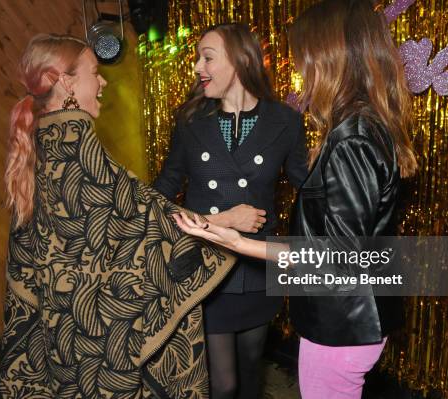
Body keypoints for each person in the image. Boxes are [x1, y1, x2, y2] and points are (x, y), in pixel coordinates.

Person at [173, 1, 418, 398]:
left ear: (330, 57)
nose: (301, 70)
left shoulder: (352, 137)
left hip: (341, 326)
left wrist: (240, 242)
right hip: (353, 321)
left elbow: (338, 254)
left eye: (304, 56)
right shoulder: (363, 125)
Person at [0, 33, 237, 399]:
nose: (103, 81)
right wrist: (225, 222)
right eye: (95, 72)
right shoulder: (78, 146)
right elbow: (151, 219)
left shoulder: (38, 145)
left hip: (62, 334)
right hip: (99, 344)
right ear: (67, 81)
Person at [153, 23, 309, 399]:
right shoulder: (189, 120)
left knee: (252, 368)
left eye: (207, 57)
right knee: (223, 384)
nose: (196, 67)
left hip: (258, 267)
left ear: (239, 60)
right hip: (206, 268)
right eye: (197, 58)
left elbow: (310, 189)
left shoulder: (285, 121)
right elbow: (160, 199)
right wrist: (220, 221)